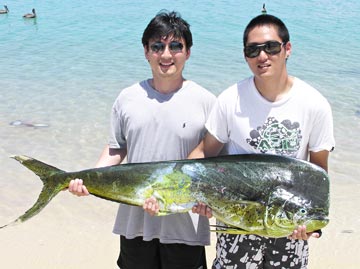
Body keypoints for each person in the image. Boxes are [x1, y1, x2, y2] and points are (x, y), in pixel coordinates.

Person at [68, 10, 216, 269]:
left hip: (185, 226)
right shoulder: (127, 97)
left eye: (175, 46)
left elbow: (216, 164)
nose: (166, 55)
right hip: (134, 222)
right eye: (157, 46)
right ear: (146, 51)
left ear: (188, 52)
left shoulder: (207, 102)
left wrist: (211, 203)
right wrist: (88, 179)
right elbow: (116, 149)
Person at [189, 14, 335, 269]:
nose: (262, 56)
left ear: (287, 49)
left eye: (271, 47)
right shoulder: (230, 99)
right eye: (253, 50)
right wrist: (187, 194)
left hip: (289, 227)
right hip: (236, 222)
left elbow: (318, 172)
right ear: (245, 56)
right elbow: (204, 153)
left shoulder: (315, 104)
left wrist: (314, 226)